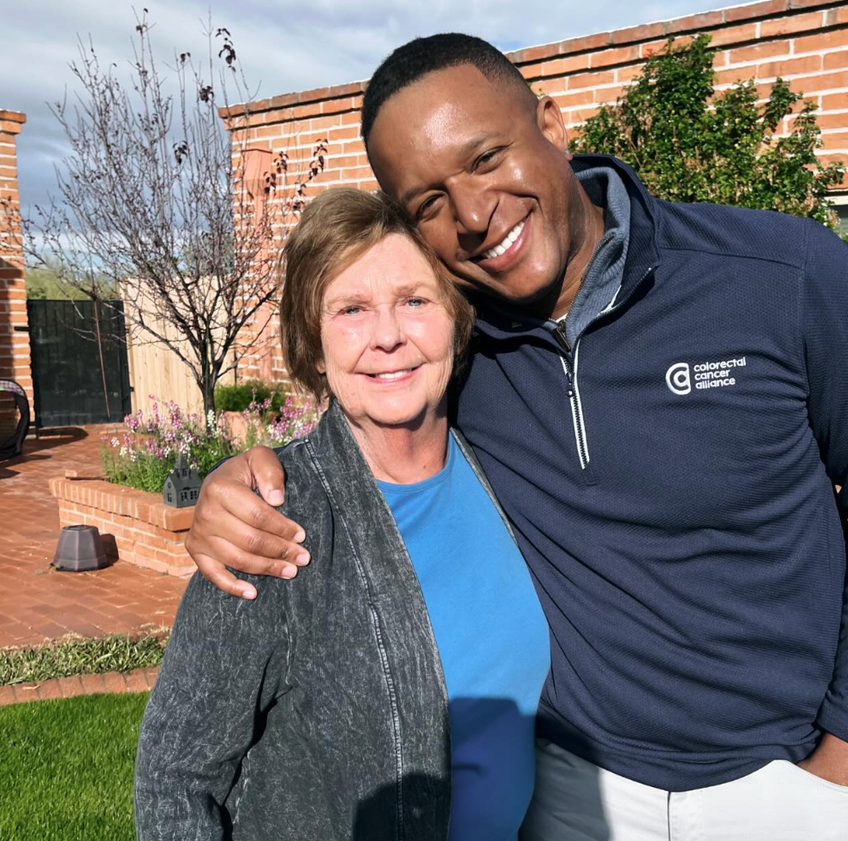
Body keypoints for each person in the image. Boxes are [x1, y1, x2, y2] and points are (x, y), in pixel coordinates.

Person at [186, 34, 848, 840]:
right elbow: (367, 416)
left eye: (487, 157)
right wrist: (237, 480)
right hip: (568, 794)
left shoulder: (781, 276)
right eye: (429, 203)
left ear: (552, 126)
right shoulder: (458, 342)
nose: (476, 216)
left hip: (783, 788)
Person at [134, 188, 550, 841]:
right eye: (351, 309)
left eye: (415, 300)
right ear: (316, 347)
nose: (388, 336)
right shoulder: (276, 523)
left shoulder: (503, 463)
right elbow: (175, 777)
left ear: (456, 319)